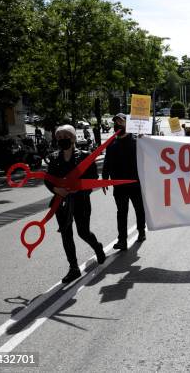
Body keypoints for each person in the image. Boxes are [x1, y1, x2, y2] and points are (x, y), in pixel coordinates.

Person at [45, 124, 105, 283]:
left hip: (80, 201)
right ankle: (73, 268)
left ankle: (97, 247)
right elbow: (48, 180)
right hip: (61, 203)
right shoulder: (53, 158)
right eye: (59, 138)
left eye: (65, 137)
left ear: (72, 139)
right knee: (66, 234)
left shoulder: (85, 156)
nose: (62, 140)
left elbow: (93, 179)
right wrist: (57, 189)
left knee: (83, 232)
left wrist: (78, 189)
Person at [102, 113, 146, 250]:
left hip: (135, 184)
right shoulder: (111, 143)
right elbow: (107, 162)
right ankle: (122, 240)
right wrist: (104, 179)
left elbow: (146, 159)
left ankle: (141, 231)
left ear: (128, 124)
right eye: (115, 122)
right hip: (119, 185)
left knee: (139, 209)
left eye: (120, 122)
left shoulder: (136, 142)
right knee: (121, 213)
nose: (117, 125)